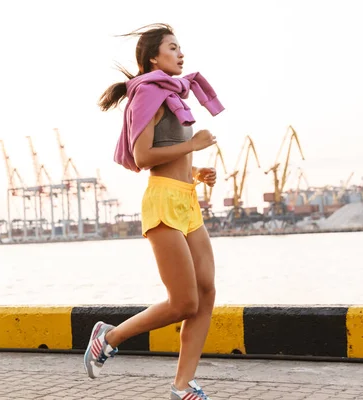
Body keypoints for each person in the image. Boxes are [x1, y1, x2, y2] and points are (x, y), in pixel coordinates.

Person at [84, 23, 225, 400]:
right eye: (173, 48)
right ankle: (108, 338)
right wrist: (193, 143)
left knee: (207, 290)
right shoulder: (147, 94)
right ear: (153, 58)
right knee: (184, 302)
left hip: (186, 198)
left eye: (181, 48)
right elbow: (145, 156)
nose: (181, 54)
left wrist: (197, 170)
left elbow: (171, 153)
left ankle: (183, 385)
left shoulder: (174, 94)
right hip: (162, 201)